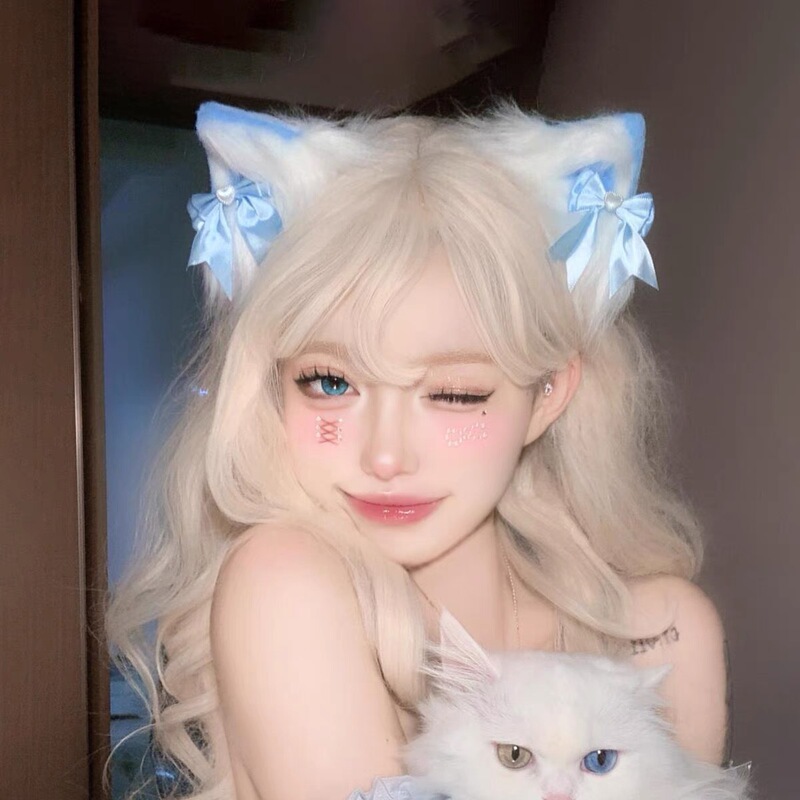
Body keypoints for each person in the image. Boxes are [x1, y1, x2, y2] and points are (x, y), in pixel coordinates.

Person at [106, 100, 728, 800]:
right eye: (331, 383)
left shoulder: (664, 629)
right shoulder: (283, 582)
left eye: (454, 394)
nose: (385, 457)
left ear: (547, 393)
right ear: (274, 388)